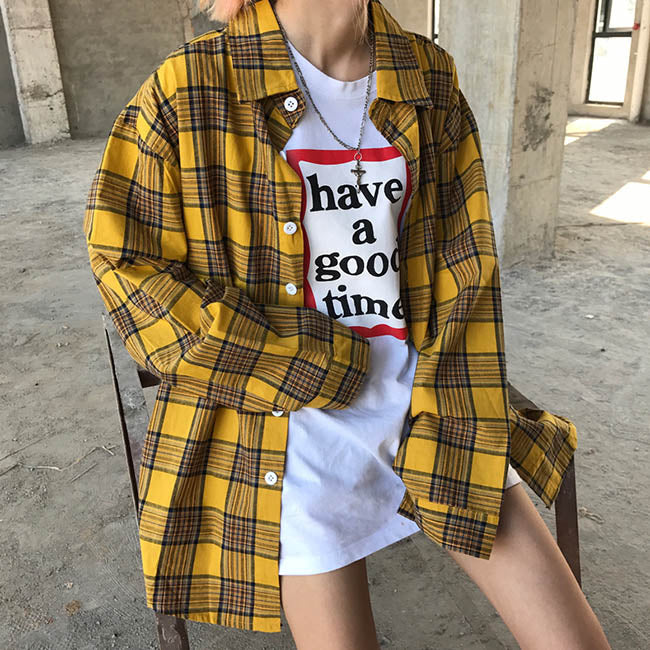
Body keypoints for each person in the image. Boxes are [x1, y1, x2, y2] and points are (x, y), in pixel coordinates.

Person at [83, 0, 611, 647]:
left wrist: (456, 415)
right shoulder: (190, 87)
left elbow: (465, 277)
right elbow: (124, 264)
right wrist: (300, 362)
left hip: (428, 407)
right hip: (291, 434)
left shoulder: (427, 78)